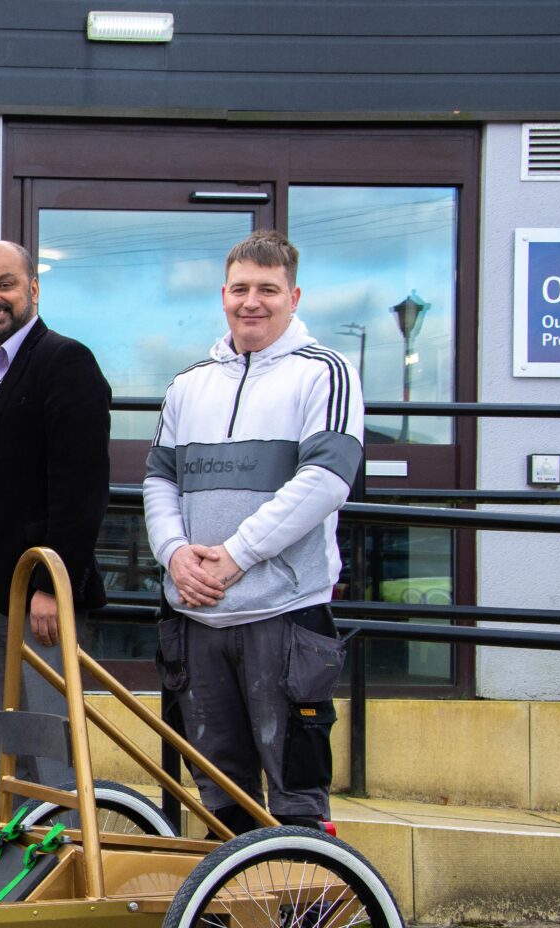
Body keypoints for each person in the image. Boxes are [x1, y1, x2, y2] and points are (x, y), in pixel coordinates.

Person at [145, 230, 364, 833]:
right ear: (222, 295)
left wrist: (236, 555)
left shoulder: (326, 372)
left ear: (293, 296)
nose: (252, 302)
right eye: (241, 288)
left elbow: (325, 481)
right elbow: (159, 480)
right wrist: (174, 556)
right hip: (198, 618)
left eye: (268, 289)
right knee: (217, 801)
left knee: (297, 801)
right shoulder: (188, 384)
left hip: (285, 616)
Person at [0, 241, 112, 806]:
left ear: (34, 288)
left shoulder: (66, 362)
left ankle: (67, 876)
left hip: (35, 594)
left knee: (49, 750)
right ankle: (17, 869)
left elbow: (81, 490)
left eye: (4, 284)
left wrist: (51, 587)